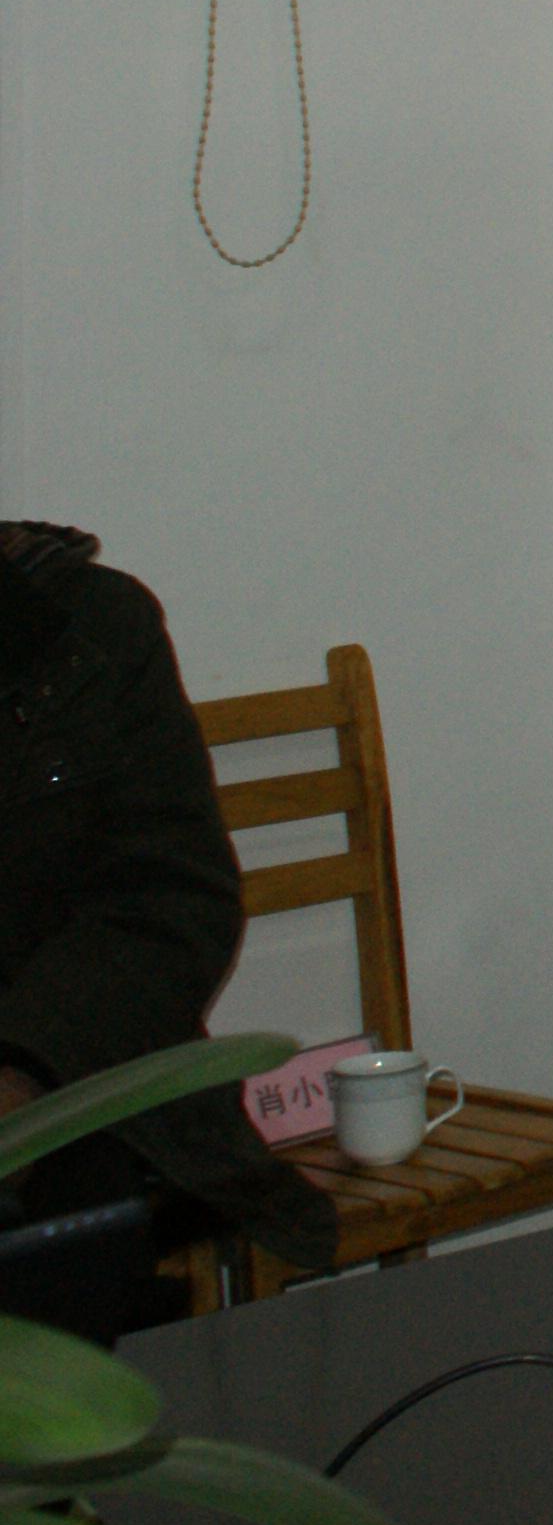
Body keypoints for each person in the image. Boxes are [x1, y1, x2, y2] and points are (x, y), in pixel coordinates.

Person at [0, 521, 334, 1275]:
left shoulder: (86, 630)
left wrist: (20, 1070)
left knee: (81, 1227)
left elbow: (172, 903)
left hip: (71, 1091)